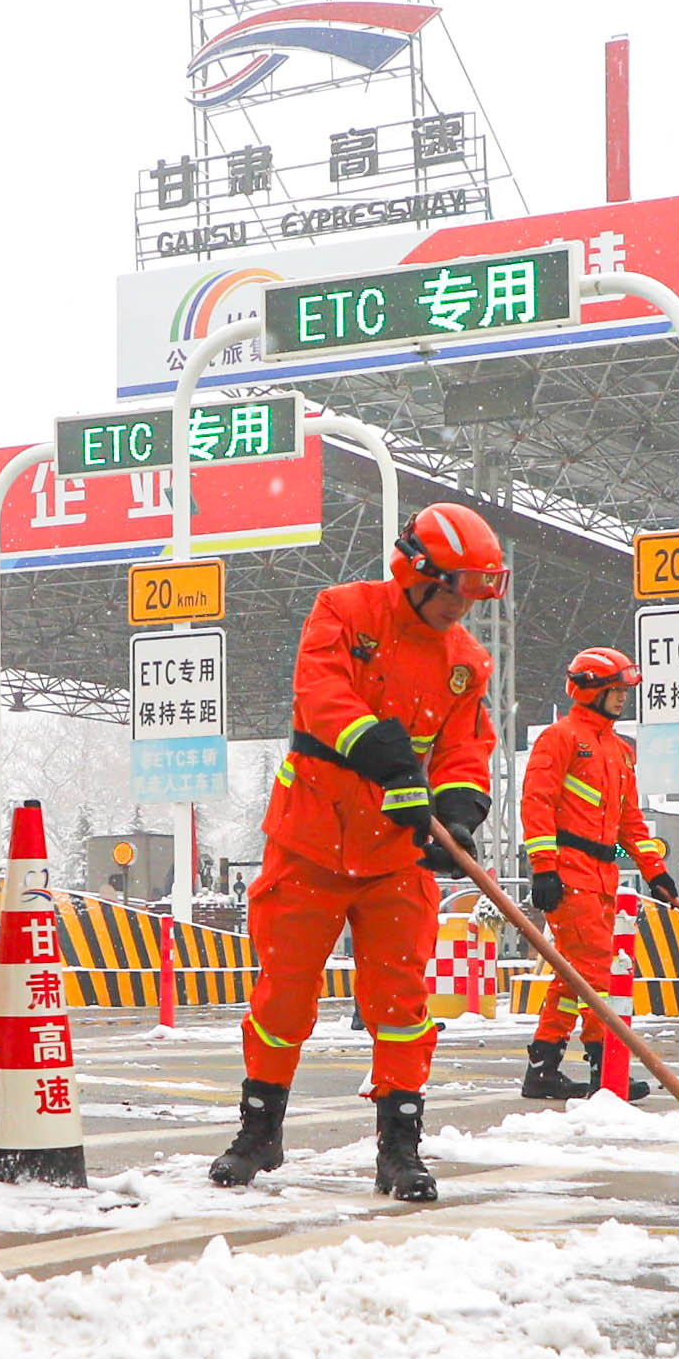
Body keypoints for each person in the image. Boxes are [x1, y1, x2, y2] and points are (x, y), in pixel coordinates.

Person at [210, 505, 506, 1202]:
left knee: (402, 1002)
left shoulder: (466, 661)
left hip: (396, 857)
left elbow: (466, 746)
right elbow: (321, 695)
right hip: (308, 842)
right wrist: (388, 756)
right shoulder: (342, 612)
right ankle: (260, 1131)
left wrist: (459, 814)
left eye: (474, 594)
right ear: (417, 574)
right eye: (456, 589)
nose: (462, 607)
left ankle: (400, 1149)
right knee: (282, 994)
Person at [515, 645, 674, 1102]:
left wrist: (656, 872)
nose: (622, 699)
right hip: (568, 874)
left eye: (624, 691)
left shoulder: (620, 752)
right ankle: (607, 1067)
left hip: (603, 875)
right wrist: (543, 867)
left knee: (573, 978)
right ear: (588, 690)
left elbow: (631, 824)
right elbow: (537, 803)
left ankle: (543, 1069)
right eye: (614, 690)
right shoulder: (560, 738)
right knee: (598, 973)